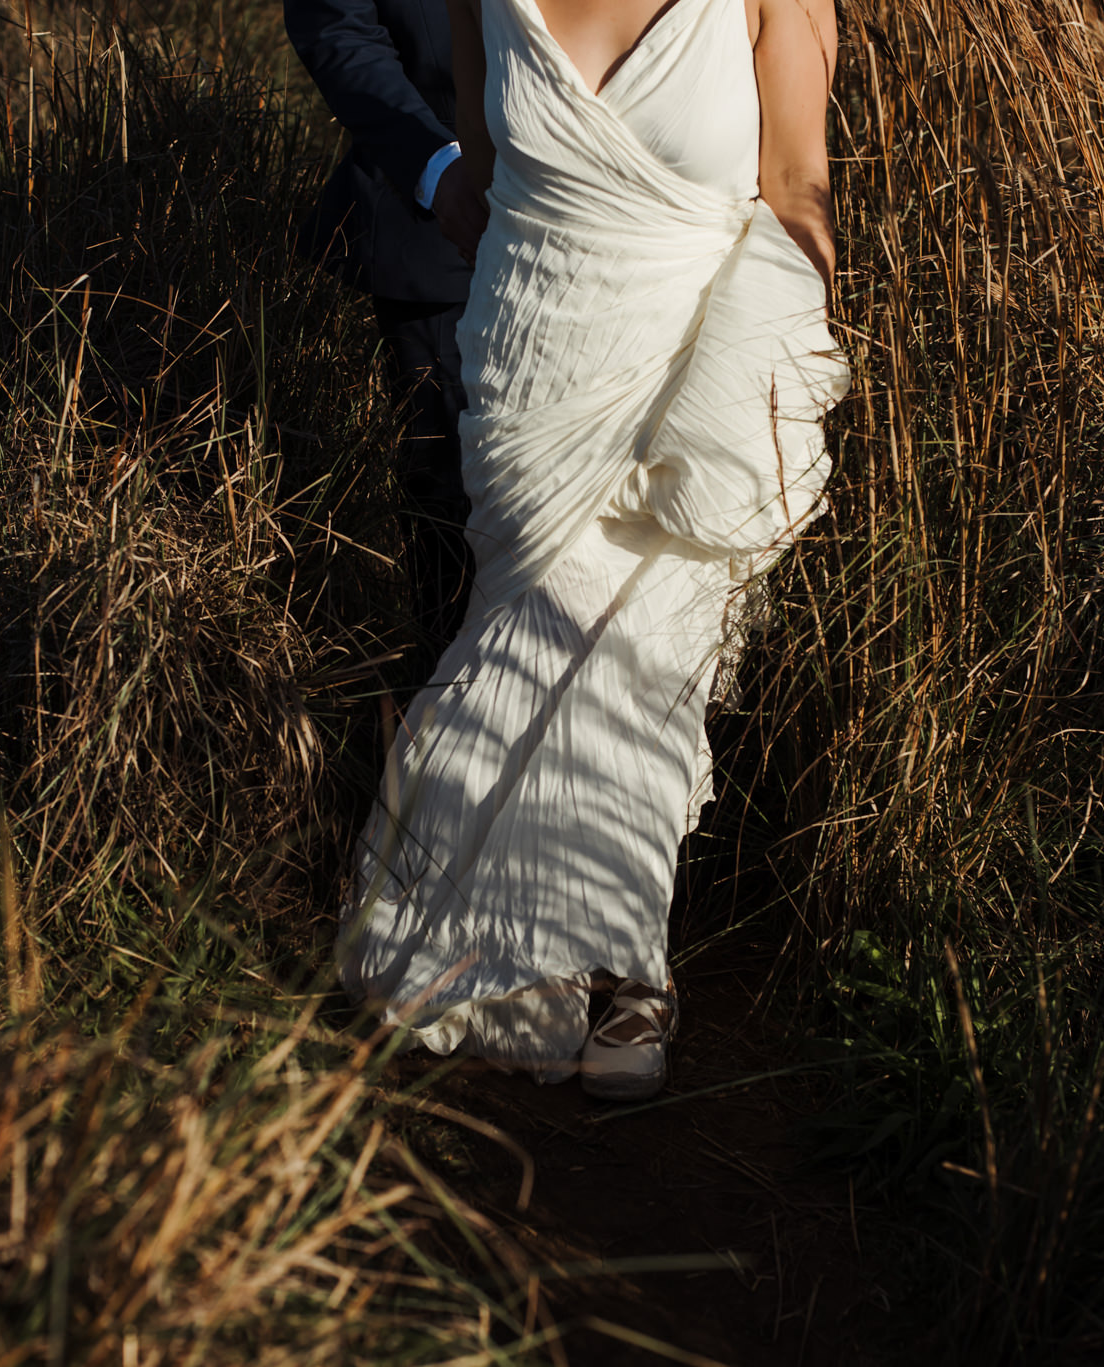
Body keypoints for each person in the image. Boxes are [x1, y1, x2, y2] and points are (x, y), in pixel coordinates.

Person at [341, 0, 847, 1100]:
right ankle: (517, 948)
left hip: (692, 363)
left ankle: (628, 972)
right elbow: (481, 179)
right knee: (521, 637)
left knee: (647, 658)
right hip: (538, 366)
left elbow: (798, 186)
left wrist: (772, 367)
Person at [285, 0, 493, 649]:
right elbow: (337, 26)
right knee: (457, 489)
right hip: (442, 230)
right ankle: (454, 690)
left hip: (614, 222)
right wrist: (440, 173)